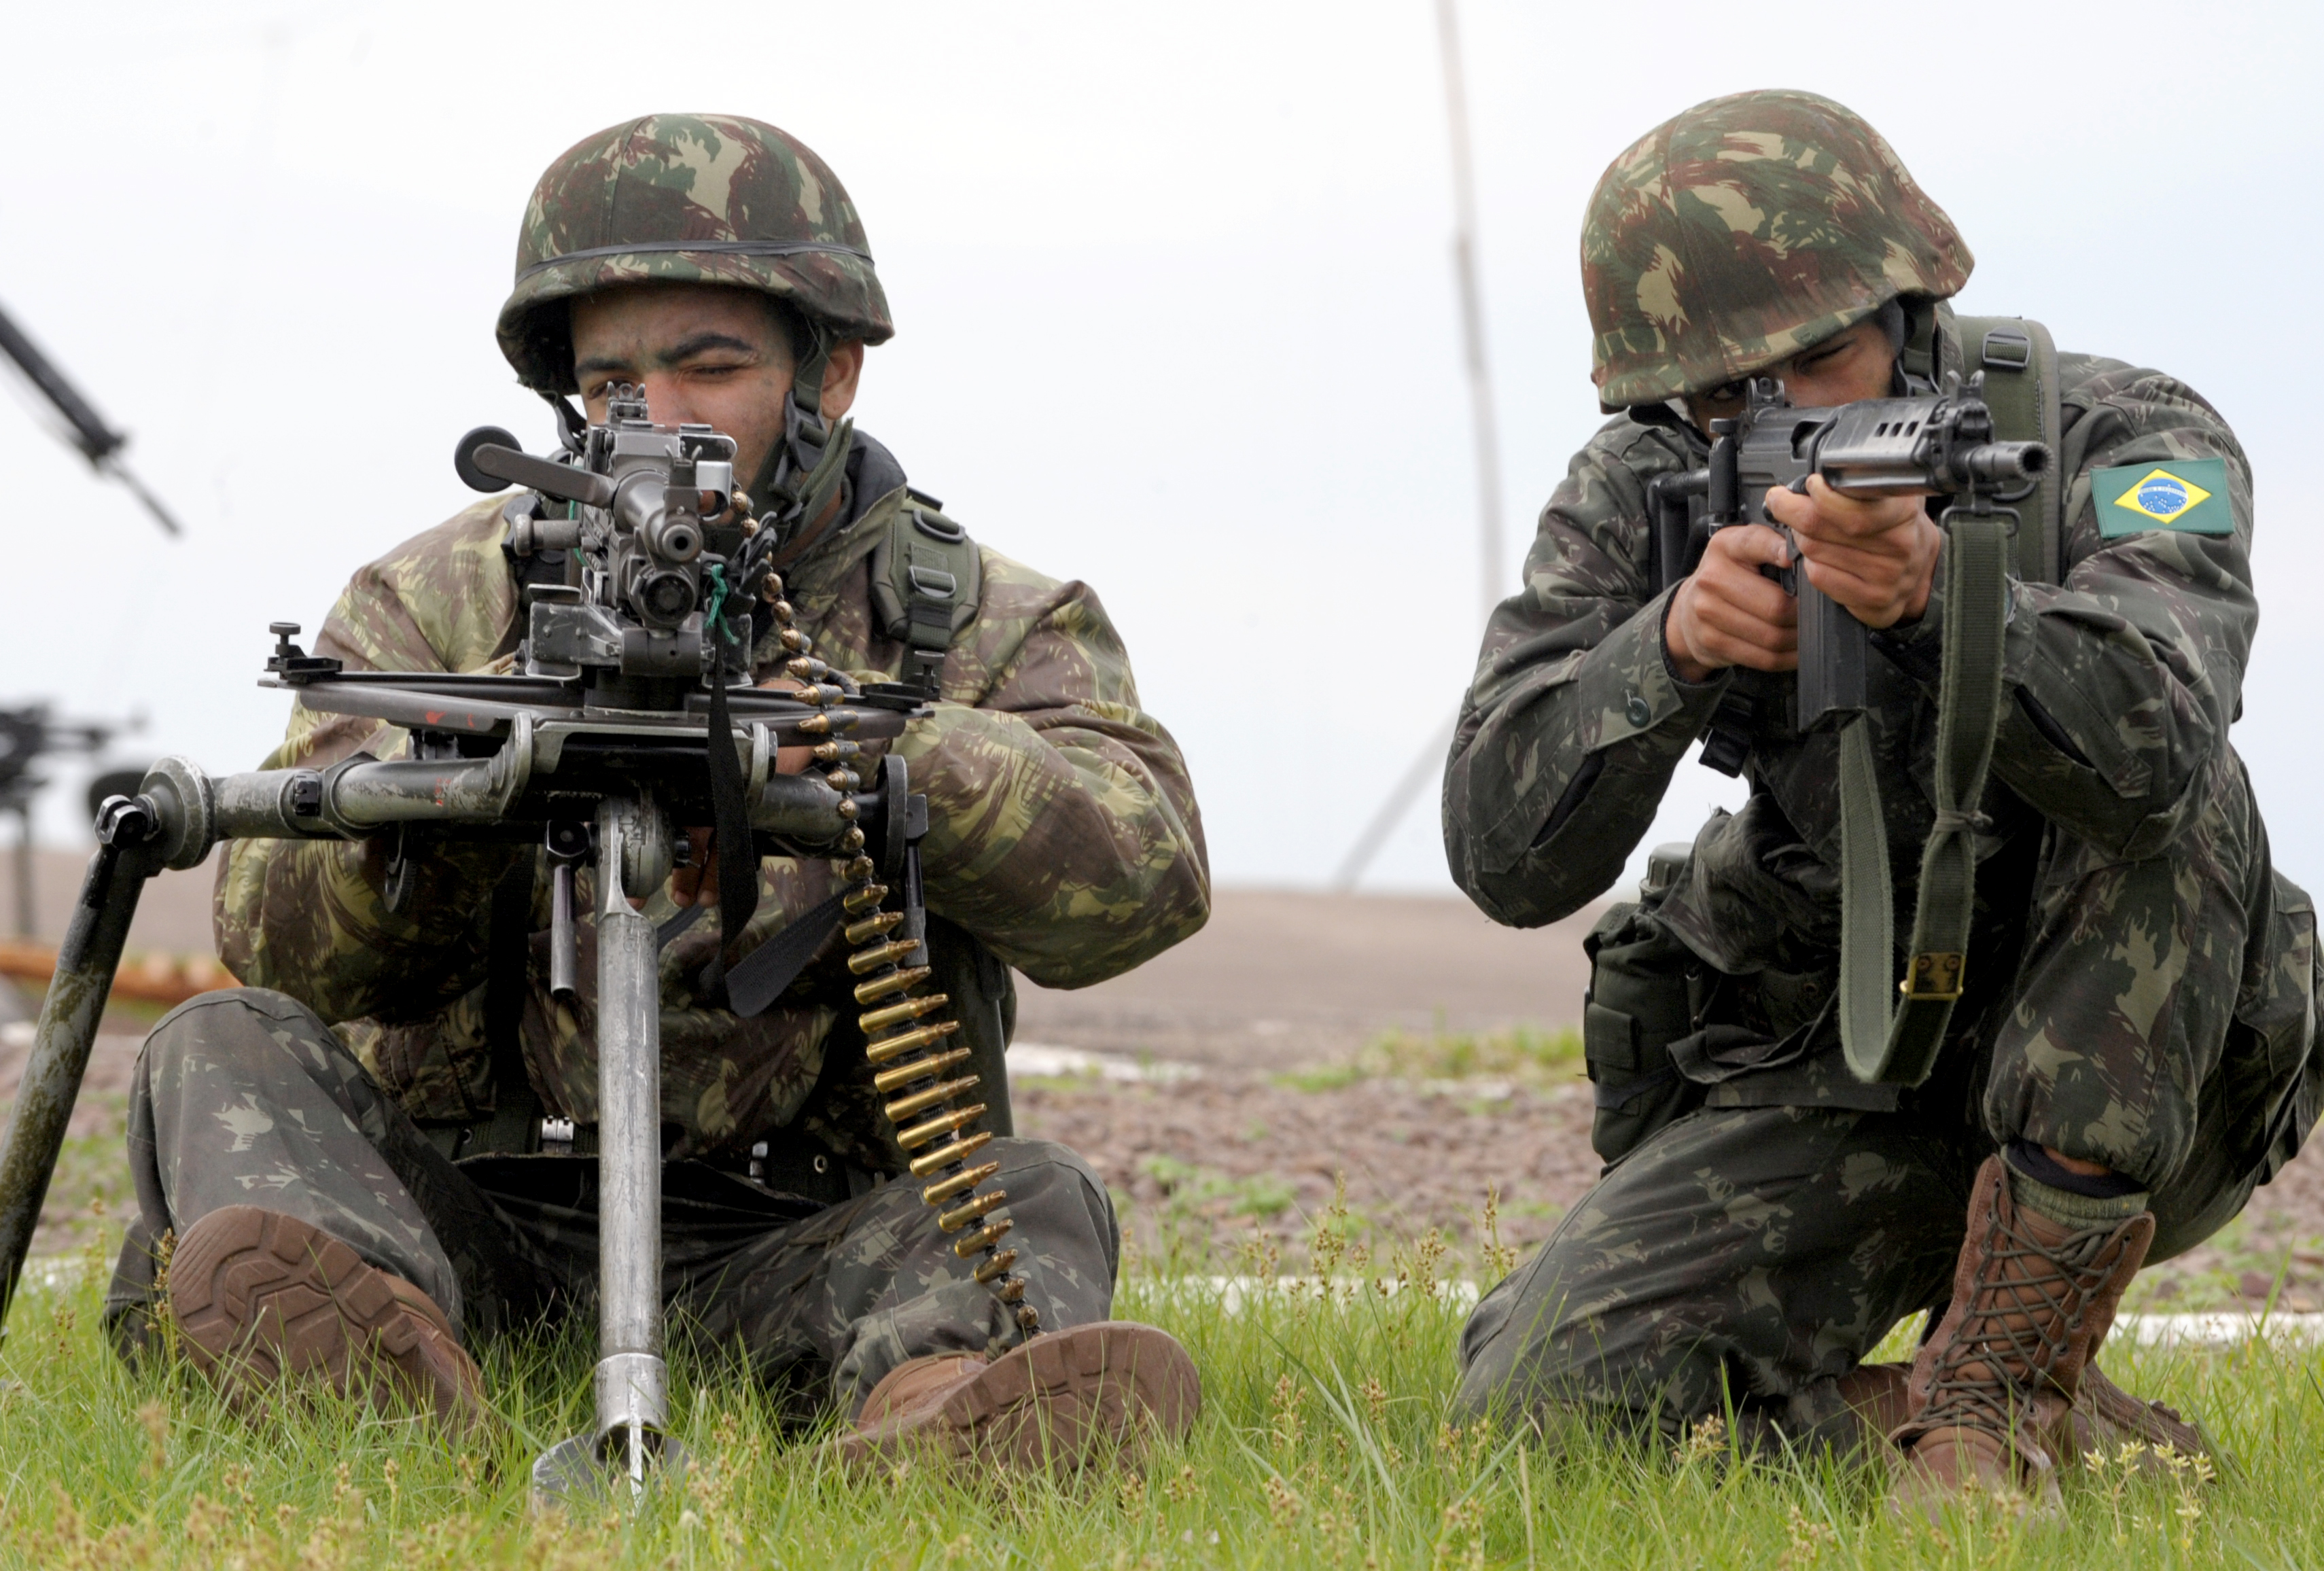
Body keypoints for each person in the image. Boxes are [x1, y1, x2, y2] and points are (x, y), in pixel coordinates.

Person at [102, 114, 1211, 1468]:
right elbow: (271, 931)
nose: (656, 418)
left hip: (799, 1238)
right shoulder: (440, 598)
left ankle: (934, 1411)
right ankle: (375, 1355)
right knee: (221, 1047)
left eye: (710, 365)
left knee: (1033, 1192)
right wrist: (456, 784)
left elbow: (1149, 878)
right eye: (613, 377)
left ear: (833, 373)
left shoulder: (977, 619)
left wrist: (881, 752)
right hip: (472, 1216)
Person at [1441, 89, 2319, 1515]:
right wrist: (1665, 651)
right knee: (1534, 1403)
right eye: (1730, 398)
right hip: (1852, 1060)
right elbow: (1501, 851)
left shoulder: (2121, 434)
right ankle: (2009, 1425)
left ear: (1911, 305)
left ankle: (1998, 1397)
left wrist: (1937, 599)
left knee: (2180, 789)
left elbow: (2159, 740)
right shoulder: (1644, 480)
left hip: (2134, 1068)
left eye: (1825, 361)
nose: (1784, 419)